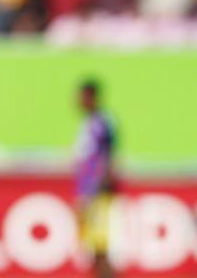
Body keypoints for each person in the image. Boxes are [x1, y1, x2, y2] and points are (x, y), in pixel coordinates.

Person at [75, 79, 116, 278]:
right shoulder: (88, 123)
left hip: (98, 193)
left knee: (101, 249)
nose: (78, 101)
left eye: (82, 96)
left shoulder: (102, 123)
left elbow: (108, 156)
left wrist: (97, 188)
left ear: (91, 97)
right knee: (93, 249)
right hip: (88, 192)